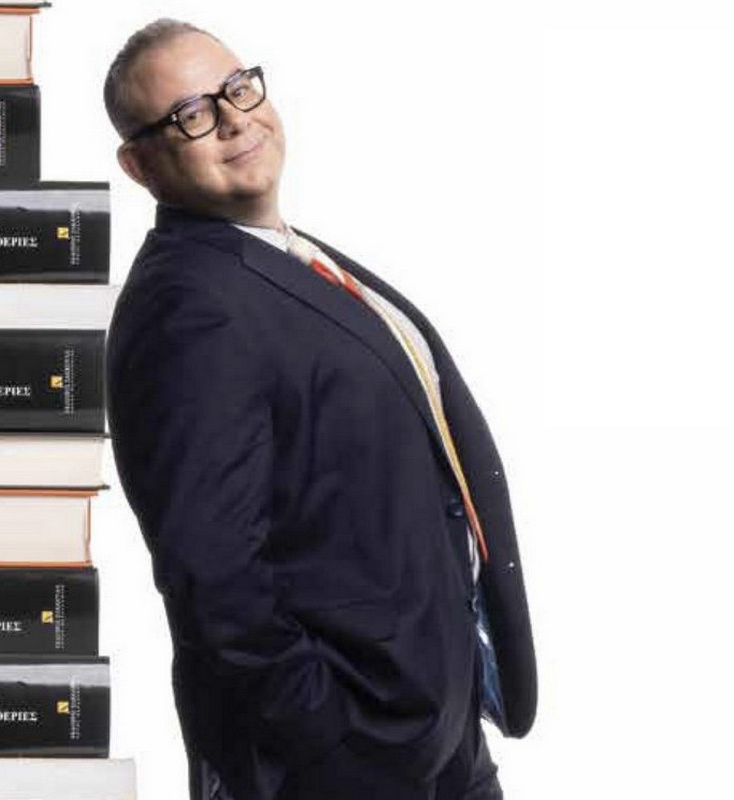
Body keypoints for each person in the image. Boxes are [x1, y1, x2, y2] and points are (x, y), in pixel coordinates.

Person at [103, 18, 536, 800]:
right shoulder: (188, 308)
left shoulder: (283, 259)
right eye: (191, 113)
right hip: (341, 759)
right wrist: (328, 742)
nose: (233, 119)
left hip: (432, 736)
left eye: (237, 88)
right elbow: (215, 579)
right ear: (140, 164)